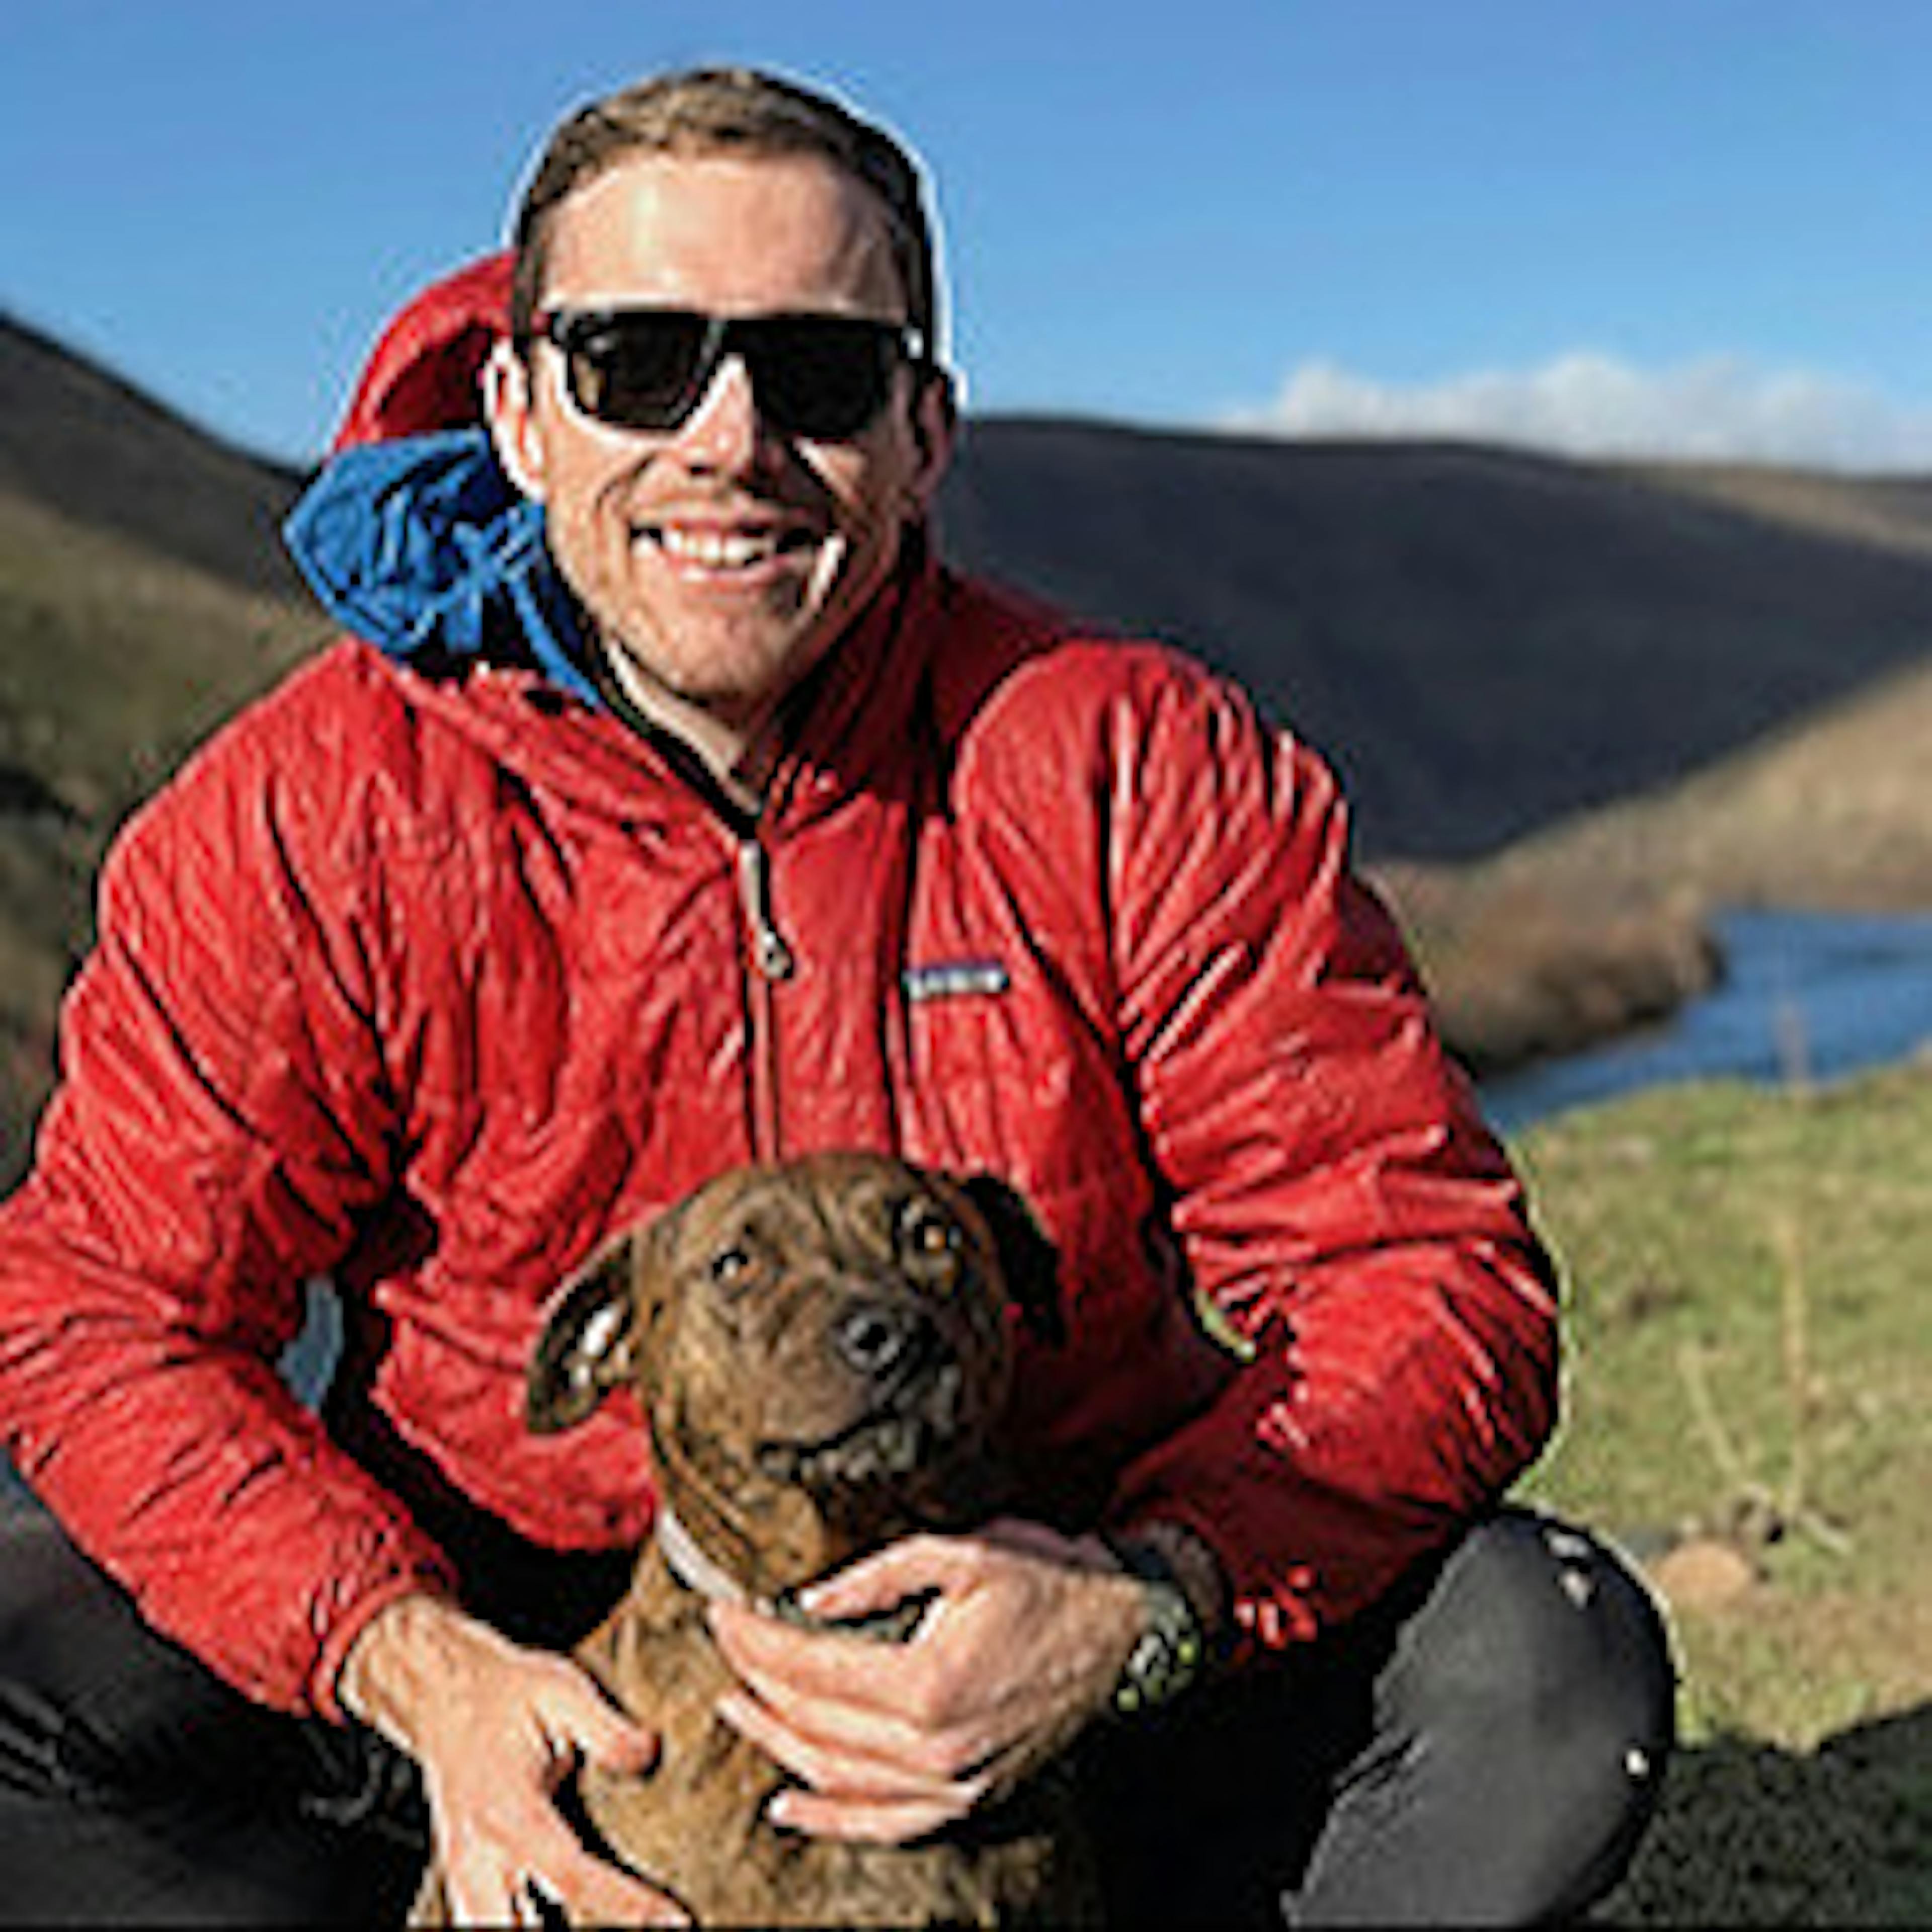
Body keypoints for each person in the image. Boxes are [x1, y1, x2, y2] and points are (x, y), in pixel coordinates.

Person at [0, 65, 1674, 1926]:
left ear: (923, 429)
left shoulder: (1136, 763)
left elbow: (1416, 1273)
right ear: (521, 412)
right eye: (639, 362)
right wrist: (403, 1660)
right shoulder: (311, 815)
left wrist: (1145, 1602)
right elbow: (100, 1317)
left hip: (1045, 1614)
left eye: (817, 373)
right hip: (523, 1643)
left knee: (1541, 1673)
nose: (729, 442)